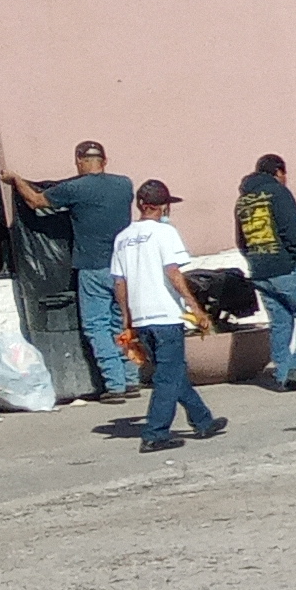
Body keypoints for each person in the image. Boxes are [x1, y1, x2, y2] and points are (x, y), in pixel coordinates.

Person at [9, 140, 139, 402]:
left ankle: (115, 386)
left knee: (96, 326)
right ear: (105, 160)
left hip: (93, 267)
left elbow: (35, 201)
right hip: (124, 268)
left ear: (79, 161)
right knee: (120, 322)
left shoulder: (74, 188)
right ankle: (132, 378)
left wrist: (16, 179)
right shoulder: (125, 184)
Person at [108, 181, 228, 452]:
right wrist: (195, 308)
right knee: (167, 376)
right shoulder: (165, 233)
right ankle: (155, 432)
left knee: (171, 372)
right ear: (164, 206)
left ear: (140, 205)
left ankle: (203, 420)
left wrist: (127, 319)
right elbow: (174, 273)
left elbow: (119, 283)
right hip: (164, 316)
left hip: (141, 318)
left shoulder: (123, 238)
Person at [234, 152, 296, 391]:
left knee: (280, 321)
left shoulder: (242, 200)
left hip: (259, 270)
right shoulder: (278, 192)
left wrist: (254, 261)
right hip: (285, 267)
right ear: (279, 172)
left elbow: (241, 240)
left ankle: (283, 373)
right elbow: (291, 227)